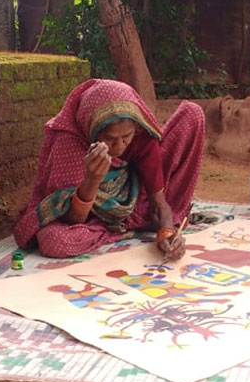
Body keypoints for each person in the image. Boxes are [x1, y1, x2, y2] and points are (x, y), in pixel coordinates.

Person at [14, 79, 204, 259]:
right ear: (91, 130)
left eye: (126, 137)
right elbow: (72, 219)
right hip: (95, 218)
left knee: (192, 112)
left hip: (138, 202)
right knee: (53, 240)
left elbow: (158, 202)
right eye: (109, 139)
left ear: (135, 128)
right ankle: (120, 230)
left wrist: (167, 232)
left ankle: (133, 224)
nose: (119, 146)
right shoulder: (70, 143)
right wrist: (92, 179)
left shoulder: (141, 135)